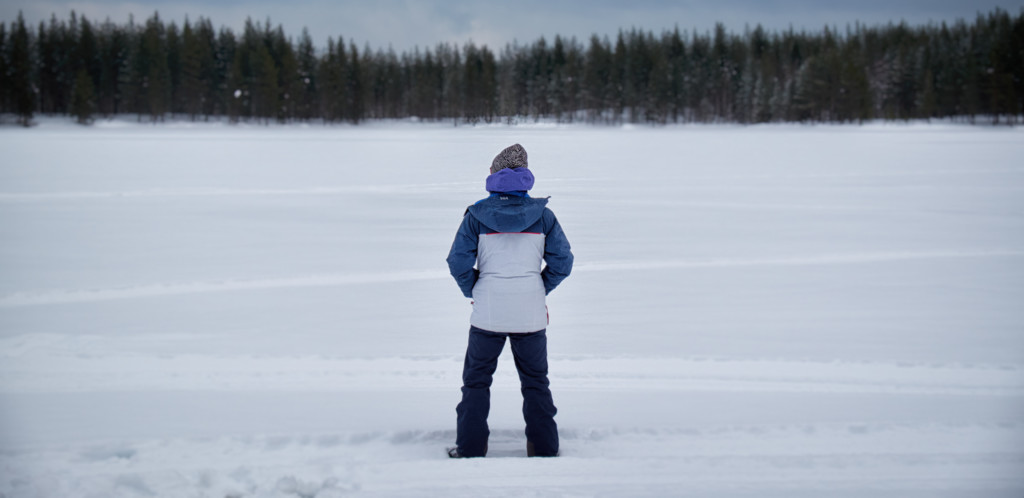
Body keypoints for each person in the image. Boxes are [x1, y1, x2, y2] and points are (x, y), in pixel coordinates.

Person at [445, 143, 574, 458]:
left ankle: (471, 448)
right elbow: (563, 263)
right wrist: (539, 287)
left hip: (487, 310)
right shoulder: (544, 216)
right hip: (530, 312)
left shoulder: (475, 215)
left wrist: (473, 289)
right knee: (535, 383)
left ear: (495, 175)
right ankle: (544, 448)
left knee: (476, 382)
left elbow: (457, 262)